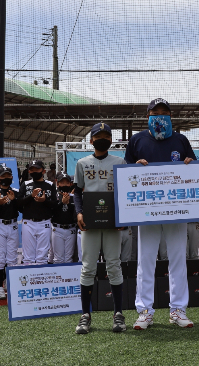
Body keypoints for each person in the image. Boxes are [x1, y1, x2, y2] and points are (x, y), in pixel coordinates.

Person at [125, 98, 196, 330]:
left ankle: (178, 309)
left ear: (170, 115)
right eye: (156, 111)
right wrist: (135, 167)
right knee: (145, 261)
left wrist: (189, 163)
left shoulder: (181, 139)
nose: (160, 115)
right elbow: (126, 173)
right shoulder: (137, 140)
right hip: (146, 209)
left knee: (178, 259)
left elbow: (194, 169)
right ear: (148, 115)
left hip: (176, 210)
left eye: (165, 111)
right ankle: (144, 310)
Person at [74, 123, 127, 334]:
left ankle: (118, 314)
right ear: (91, 140)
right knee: (88, 267)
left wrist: (123, 216)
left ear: (111, 140)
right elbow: (77, 191)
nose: (102, 139)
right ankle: (85, 315)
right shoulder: (82, 163)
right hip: (90, 223)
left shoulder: (120, 161)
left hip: (113, 223)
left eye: (107, 135)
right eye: (99, 136)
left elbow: (124, 191)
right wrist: (78, 212)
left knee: (114, 265)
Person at [18, 160, 56, 264]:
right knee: (28, 257)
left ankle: (40, 280)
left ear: (43, 171)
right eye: (32, 169)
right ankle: (28, 279)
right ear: (29, 171)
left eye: (37, 169)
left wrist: (45, 201)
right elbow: (19, 203)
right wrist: (31, 196)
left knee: (42, 257)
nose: (34, 171)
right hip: (28, 222)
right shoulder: (25, 184)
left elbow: (55, 204)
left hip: (45, 222)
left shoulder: (50, 185)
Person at [0, 167, 20, 299]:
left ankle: (11, 286)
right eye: (3, 176)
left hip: (13, 225)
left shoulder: (16, 192)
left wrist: (14, 200)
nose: (6, 178)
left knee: (12, 259)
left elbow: (21, 209)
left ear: (12, 177)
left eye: (8, 175)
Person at [52, 172, 77, 264]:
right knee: (58, 258)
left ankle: (68, 278)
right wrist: (61, 203)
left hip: (71, 229)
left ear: (70, 184)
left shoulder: (74, 197)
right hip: (57, 229)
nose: (65, 185)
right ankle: (58, 277)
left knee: (68, 258)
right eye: (62, 182)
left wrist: (69, 204)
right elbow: (51, 211)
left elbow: (75, 214)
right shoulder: (54, 195)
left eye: (67, 182)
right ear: (57, 183)